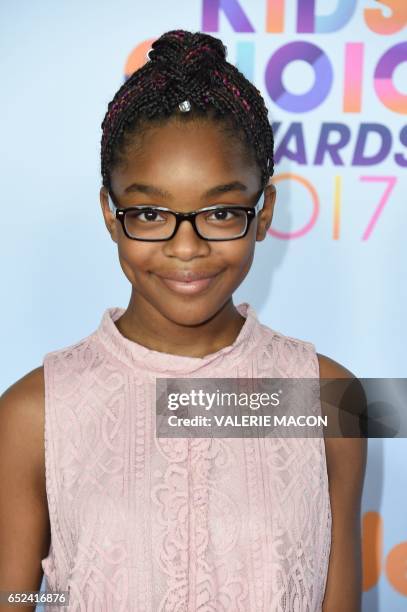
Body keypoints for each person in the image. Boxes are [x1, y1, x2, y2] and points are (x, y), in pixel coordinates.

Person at [0, 29, 366, 612]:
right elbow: (14, 594)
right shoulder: (34, 411)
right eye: (150, 213)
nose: (187, 248)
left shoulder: (328, 399)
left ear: (264, 211)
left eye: (221, 212)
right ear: (109, 214)